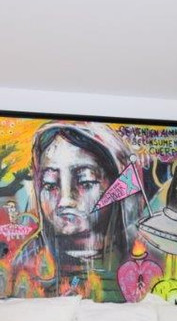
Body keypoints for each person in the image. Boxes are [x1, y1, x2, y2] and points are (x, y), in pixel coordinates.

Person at [13, 122, 140, 297]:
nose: (65, 201)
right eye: (50, 184)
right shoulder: (27, 264)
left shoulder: (143, 254)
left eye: (85, 182)